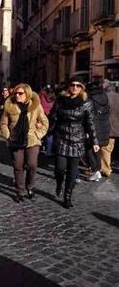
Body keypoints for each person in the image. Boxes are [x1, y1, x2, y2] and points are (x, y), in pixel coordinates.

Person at [50, 76, 99, 209]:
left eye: (78, 85)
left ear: (82, 88)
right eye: (72, 85)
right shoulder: (60, 100)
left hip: (77, 139)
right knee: (60, 168)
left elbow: (90, 122)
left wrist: (94, 140)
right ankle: (59, 183)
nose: (75, 87)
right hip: (61, 137)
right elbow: (53, 116)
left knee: (72, 170)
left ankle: (67, 196)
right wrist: (47, 129)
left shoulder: (86, 102)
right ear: (68, 86)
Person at [0, 84, 49, 202]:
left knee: (32, 165)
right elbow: (3, 124)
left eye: (20, 93)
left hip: (32, 140)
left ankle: (30, 187)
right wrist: (8, 136)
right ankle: (20, 191)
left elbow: (45, 122)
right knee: (18, 166)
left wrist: (38, 134)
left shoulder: (35, 106)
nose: (17, 95)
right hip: (15, 141)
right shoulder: (10, 106)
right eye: (16, 93)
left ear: (27, 94)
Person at [85, 78, 110, 182]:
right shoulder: (105, 96)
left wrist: (87, 130)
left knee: (88, 149)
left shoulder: (90, 98)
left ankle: (95, 171)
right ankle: (97, 171)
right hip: (104, 126)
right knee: (97, 149)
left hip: (94, 127)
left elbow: (89, 115)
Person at [100, 79, 119, 177]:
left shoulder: (104, 98)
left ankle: (106, 169)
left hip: (107, 128)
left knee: (106, 149)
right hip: (116, 128)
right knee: (110, 149)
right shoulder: (118, 96)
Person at [39, 85, 56, 156]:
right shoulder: (53, 96)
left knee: (41, 132)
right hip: (51, 116)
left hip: (42, 116)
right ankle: (48, 150)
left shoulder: (40, 95)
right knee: (50, 133)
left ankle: (40, 148)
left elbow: (38, 105)